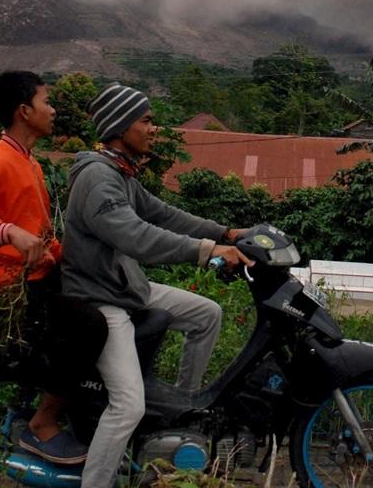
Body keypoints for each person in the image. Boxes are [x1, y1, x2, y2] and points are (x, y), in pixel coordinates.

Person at [62, 83, 253, 488]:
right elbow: (138, 237)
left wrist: (228, 232)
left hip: (126, 286)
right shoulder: (99, 178)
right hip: (101, 299)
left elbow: (163, 214)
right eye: (146, 121)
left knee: (207, 314)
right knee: (128, 406)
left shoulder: (120, 173)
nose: (154, 129)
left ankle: (180, 415)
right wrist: (209, 250)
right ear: (119, 126)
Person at [0, 70, 108, 465]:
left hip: (35, 278)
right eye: (47, 102)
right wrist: (5, 232)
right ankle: (42, 424)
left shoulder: (28, 162)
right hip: (5, 289)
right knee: (89, 324)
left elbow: (41, 236)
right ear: (24, 111)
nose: (54, 109)